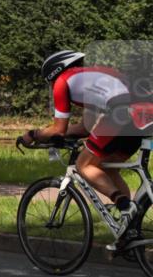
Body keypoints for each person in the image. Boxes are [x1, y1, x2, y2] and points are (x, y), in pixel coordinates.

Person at [20, 50, 141, 249]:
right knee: (107, 169)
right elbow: (85, 128)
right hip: (138, 115)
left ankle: (122, 203)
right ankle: (130, 227)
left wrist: (33, 134)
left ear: (53, 74)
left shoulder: (62, 82)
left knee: (83, 165)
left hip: (119, 114)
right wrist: (57, 135)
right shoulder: (91, 79)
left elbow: (59, 129)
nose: (51, 86)